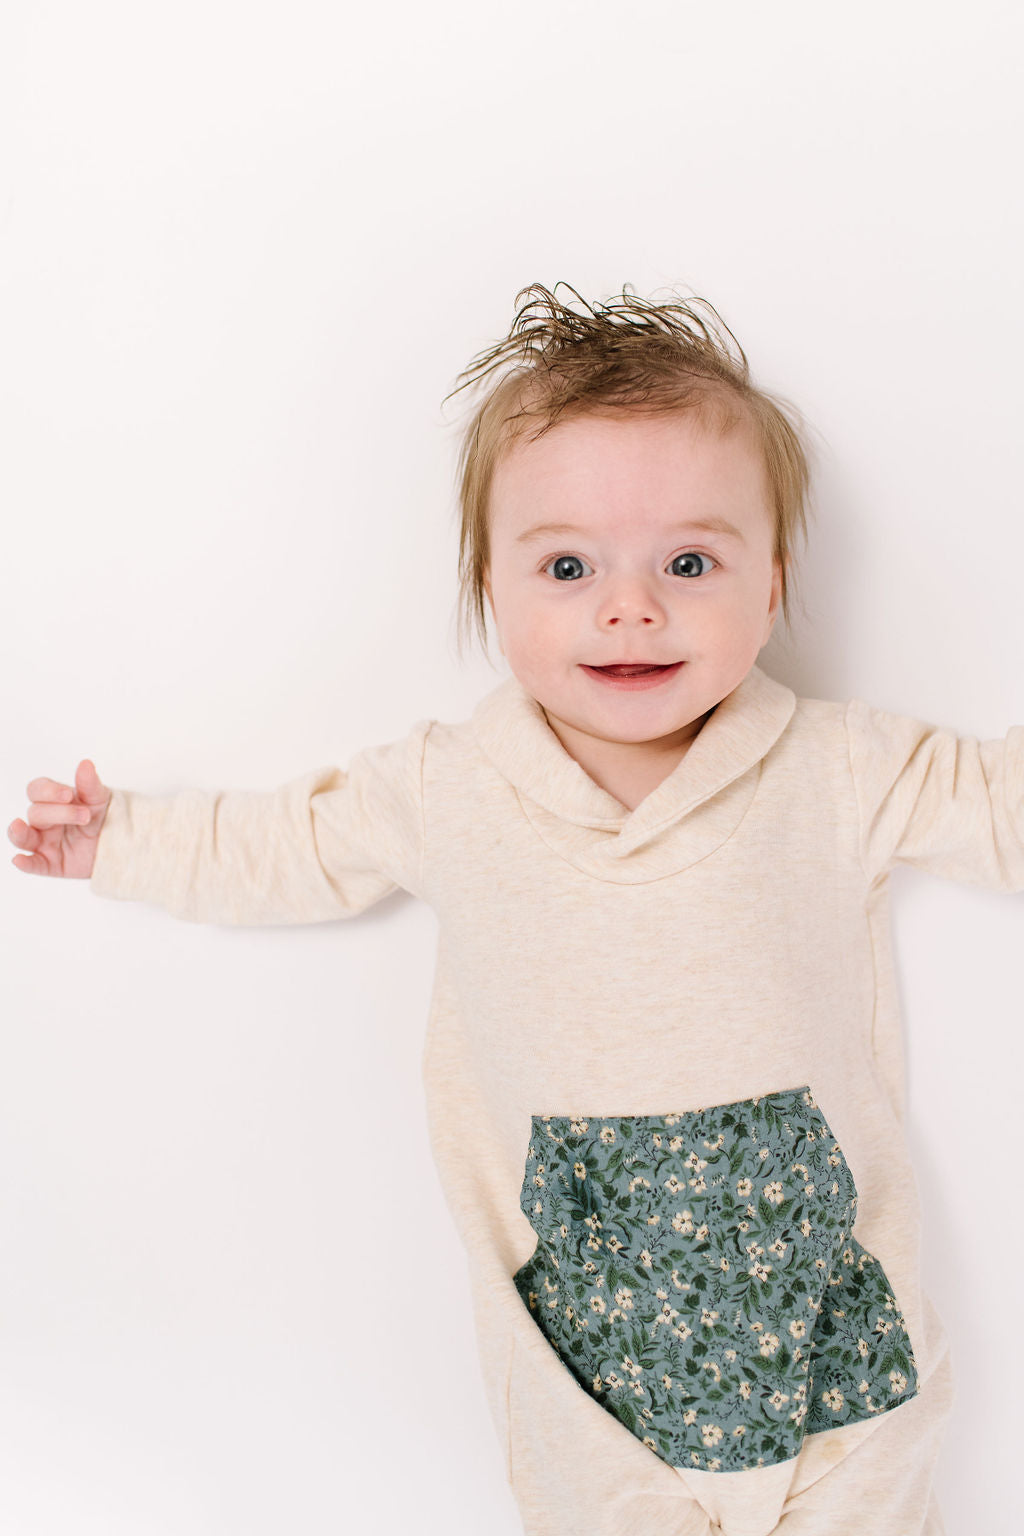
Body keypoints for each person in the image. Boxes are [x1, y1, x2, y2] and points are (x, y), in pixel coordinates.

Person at [9, 281, 1018, 1536]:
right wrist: (125, 840)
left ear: (771, 591)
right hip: (578, 1366)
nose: (629, 605)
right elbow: (290, 845)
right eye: (568, 566)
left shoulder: (841, 768)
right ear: (492, 587)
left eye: (689, 563)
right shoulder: (448, 786)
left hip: (822, 1325)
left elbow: (998, 803)